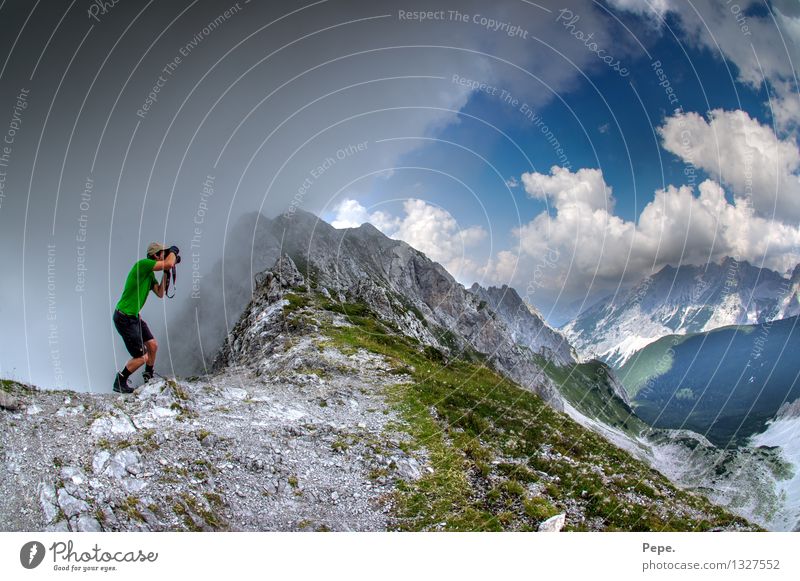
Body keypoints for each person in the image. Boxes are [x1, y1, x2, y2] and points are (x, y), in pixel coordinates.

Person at [112, 242, 177, 393]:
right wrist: (173, 253)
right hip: (124, 317)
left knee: (153, 345)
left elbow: (161, 293)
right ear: (155, 255)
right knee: (141, 357)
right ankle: (120, 381)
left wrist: (166, 272)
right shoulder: (143, 265)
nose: (166, 255)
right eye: (163, 252)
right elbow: (169, 262)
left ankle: (148, 377)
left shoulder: (150, 274)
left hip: (134, 317)